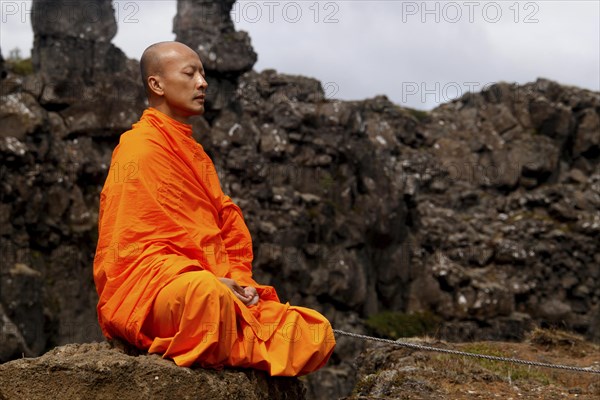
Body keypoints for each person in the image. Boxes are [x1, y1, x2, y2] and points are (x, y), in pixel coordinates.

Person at [93, 41, 335, 376]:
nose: (203, 83)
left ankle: (228, 337)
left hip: (215, 287)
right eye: (190, 74)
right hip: (159, 289)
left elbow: (225, 232)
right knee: (206, 299)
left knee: (315, 329)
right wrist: (208, 280)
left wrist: (239, 282)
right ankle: (234, 338)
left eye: (203, 74)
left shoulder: (196, 155)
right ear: (157, 84)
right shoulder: (138, 149)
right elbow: (128, 249)